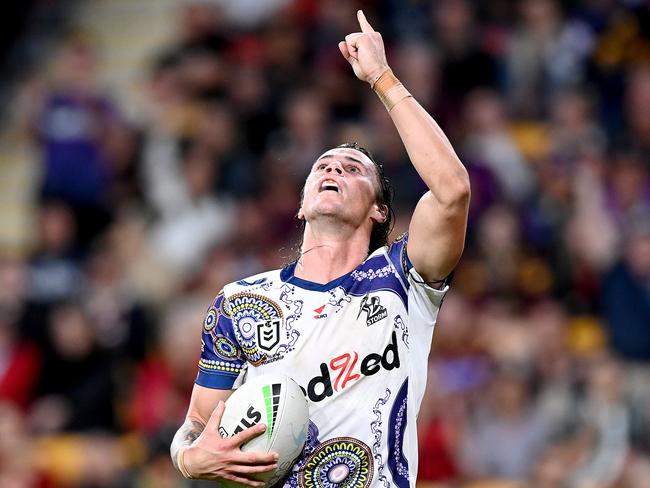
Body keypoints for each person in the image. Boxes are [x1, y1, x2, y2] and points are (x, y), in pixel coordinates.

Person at [170, 10, 470, 487]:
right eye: (323, 167)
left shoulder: (403, 279)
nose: (333, 170)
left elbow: (452, 190)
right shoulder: (241, 302)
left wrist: (381, 78)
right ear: (301, 203)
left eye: (354, 170)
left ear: (378, 212)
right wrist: (191, 460)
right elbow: (195, 427)